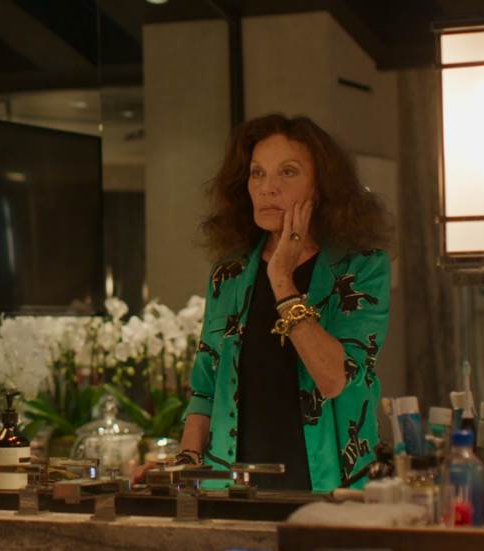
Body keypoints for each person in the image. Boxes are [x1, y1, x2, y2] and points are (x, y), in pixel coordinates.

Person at [138, 114, 393, 491]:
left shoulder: (362, 267)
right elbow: (206, 387)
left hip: (332, 489)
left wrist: (282, 280)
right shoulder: (230, 273)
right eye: (257, 173)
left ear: (322, 185)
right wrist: (187, 463)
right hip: (234, 489)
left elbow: (334, 379)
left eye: (287, 172)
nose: (267, 188)